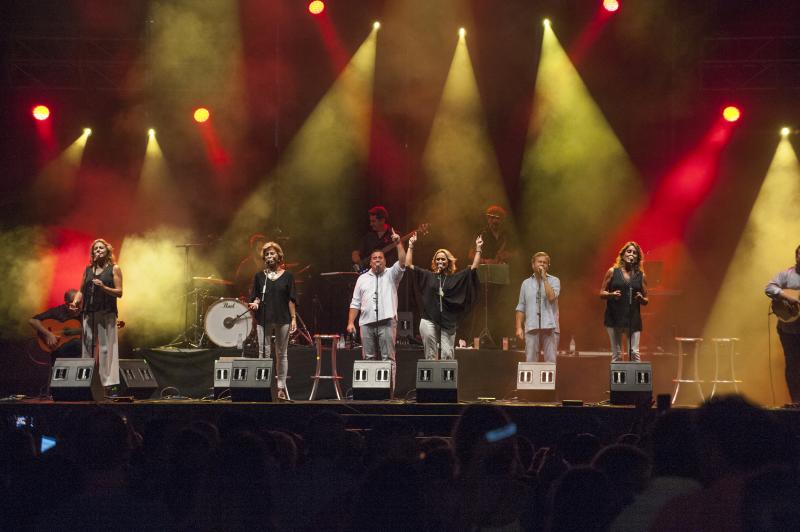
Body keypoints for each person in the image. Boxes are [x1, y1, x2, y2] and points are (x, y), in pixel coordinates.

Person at [406, 233, 482, 360]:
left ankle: (446, 380)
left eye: (443, 259)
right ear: (435, 262)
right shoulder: (428, 275)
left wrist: (478, 248)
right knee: (431, 355)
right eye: (438, 259)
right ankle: (432, 380)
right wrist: (410, 246)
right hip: (429, 319)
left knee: (447, 355)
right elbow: (408, 265)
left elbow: (473, 268)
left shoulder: (454, 278)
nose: (440, 261)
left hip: (447, 321)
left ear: (448, 261)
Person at [347, 231, 406, 375]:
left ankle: (388, 393)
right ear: (370, 261)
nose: (377, 260)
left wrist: (398, 244)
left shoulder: (392, 274)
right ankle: (371, 392)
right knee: (368, 358)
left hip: (386, 321)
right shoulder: (362, 278)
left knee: (388, 358)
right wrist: (350, 322)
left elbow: (403, 262)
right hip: (366, 323)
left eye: (380, 257)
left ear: (385, 261)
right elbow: (355, 303)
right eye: (374, 258)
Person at [69, 238, 123, 392]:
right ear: (92, 253)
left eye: (101, 248)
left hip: (106, 312)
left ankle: (107, 385)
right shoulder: (88, 270)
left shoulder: (114, 269)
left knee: (106, 349)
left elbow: (120, 292)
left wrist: (104, 286)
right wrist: (75, 303)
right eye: (95, 249)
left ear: (107, 251)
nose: (98, 250)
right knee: (87, 347)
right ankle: (85, 382)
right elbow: (81, 290)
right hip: (89, 312)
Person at [248, 241, 297, 400]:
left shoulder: (288, 276)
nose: (270, 256)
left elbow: (291, 299)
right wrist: (255, 303)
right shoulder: (259, 276)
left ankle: (281, 388)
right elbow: (255, 296)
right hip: (264, 317)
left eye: (272, 253)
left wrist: (294, 318)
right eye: (267, 254)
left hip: (283, 317)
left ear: (279, 256)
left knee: (282, 353)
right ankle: (264, 386)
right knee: (264, 352)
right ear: (264, 257)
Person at [600, 241, 648, 362]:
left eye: (634, 253)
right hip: (614, 317)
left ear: (638, 257)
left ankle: (635, 381)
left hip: (633, 318)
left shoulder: (641, 276)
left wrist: (642, 299)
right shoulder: (612, 271)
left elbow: (646, 299)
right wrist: (611, 295)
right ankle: (617, 381)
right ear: (623, 254)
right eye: (629, 251)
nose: (631, 254)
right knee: (617, 355)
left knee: (634, 353)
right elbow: (602, 293)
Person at [765, 244, 800, 403]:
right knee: (792, 364)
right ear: (796, 257)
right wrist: (786, 296)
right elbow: (769, 288)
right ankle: (796, 401)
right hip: (788, 329)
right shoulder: (786, 275)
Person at [515, 252, 561, 362]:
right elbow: (521, 306)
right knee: (530, 361)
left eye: (545, 263)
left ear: (548, 266)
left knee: (550, 362)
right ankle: (532, 380)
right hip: (531, 326)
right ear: (533, 265)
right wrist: (518, 327)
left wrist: (544, 278)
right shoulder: (525, 284)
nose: (542, 264)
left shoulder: (554, 281)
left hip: (550, 327)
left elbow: (551, 297)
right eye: (539, 262)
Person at [29, 289, 82, 360]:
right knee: (77, 343)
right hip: (58, 350)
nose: (79, 307)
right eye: (76, 304)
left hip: (75, 352)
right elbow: (32, 320)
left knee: (78, 344)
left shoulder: (84, 313)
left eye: (80, 303)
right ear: (66, 304)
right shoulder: (58, 311)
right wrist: (48, 334)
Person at [352, 206, 400, 270]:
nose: (371, 224)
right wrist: (355, 254)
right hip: (370, 275)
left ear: (382, 220)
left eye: (373, 221)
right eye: (370, 221)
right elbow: (357, 252)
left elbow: (402, 258)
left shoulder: (396, 236)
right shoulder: (368, 237)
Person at [234, 232, 267, 297]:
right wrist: (248, 289)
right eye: (259, 249)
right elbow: (238, 285)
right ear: (254, 249)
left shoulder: (268, 264)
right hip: (249, 301)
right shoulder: (245, 265)